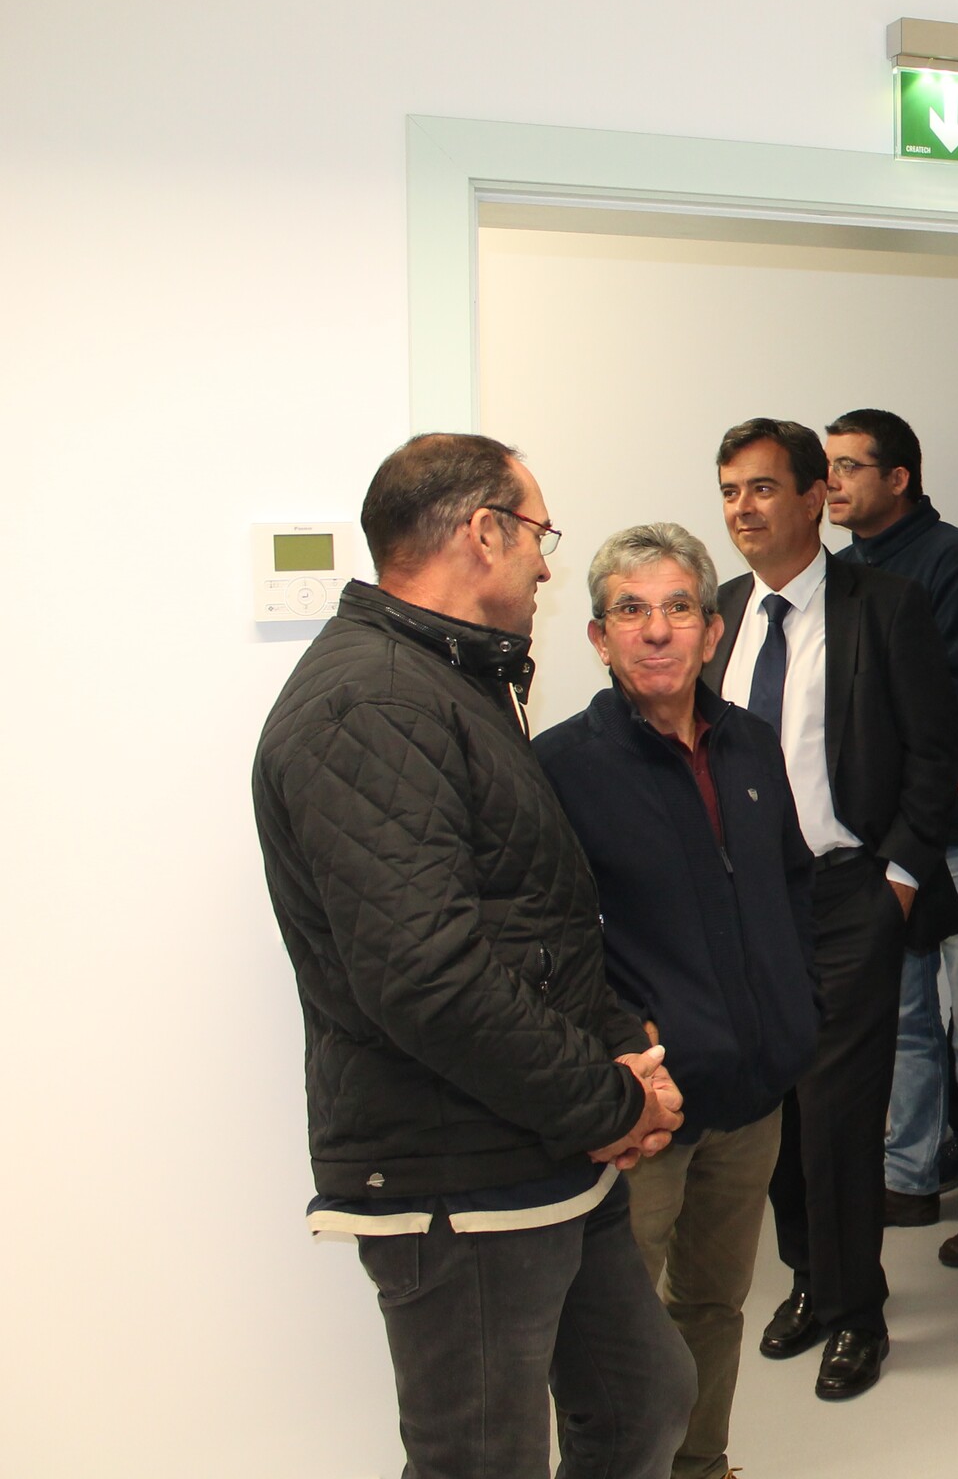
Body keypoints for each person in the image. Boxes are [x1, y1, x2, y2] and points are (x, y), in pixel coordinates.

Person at [252, 433, 695, 1479]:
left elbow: (535, 913)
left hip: (540, 1145)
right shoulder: (374, 702)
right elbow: (427, 978)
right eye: (539, 533)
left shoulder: (453, 681)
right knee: (483, 1458)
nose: (546, 563)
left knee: (642, 1401)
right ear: (483, 532)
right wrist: (609, 1101)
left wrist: (627, 1054)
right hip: (460, 1173)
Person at [536, 523, 822, 1479]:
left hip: (753, 1097)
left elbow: (791, 885)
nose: (657, 630)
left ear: (711, 630)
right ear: (598, 637)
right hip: (643, 1111)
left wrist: (796, 1008)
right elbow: (549, 941)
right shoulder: (562, 768)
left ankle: (702, 1466)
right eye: (631, 610)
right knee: (614, 1335)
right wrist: (624, 1048)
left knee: (714, 1304)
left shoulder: (750, 744)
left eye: (678, 608)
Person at [704, 418, 958, 1400]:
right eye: (730, 490)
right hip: (744, 905)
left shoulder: (883, 605)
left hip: (849, 891)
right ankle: (810, 1279)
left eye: (763, 487)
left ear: (816, 497)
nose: (743, 508)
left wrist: (900, 875)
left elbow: (933, 751)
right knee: (772, 1103)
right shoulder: (722, 611)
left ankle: (858, 1312)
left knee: (840, 1111)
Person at [826, 407, 958, 1267]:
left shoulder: (953, 562)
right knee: (899, 1019)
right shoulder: (840, 572)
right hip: (881, 837)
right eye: (827, 466)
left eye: (848, 466)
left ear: (898, 478)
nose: (831, 482)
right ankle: (907, 1176)